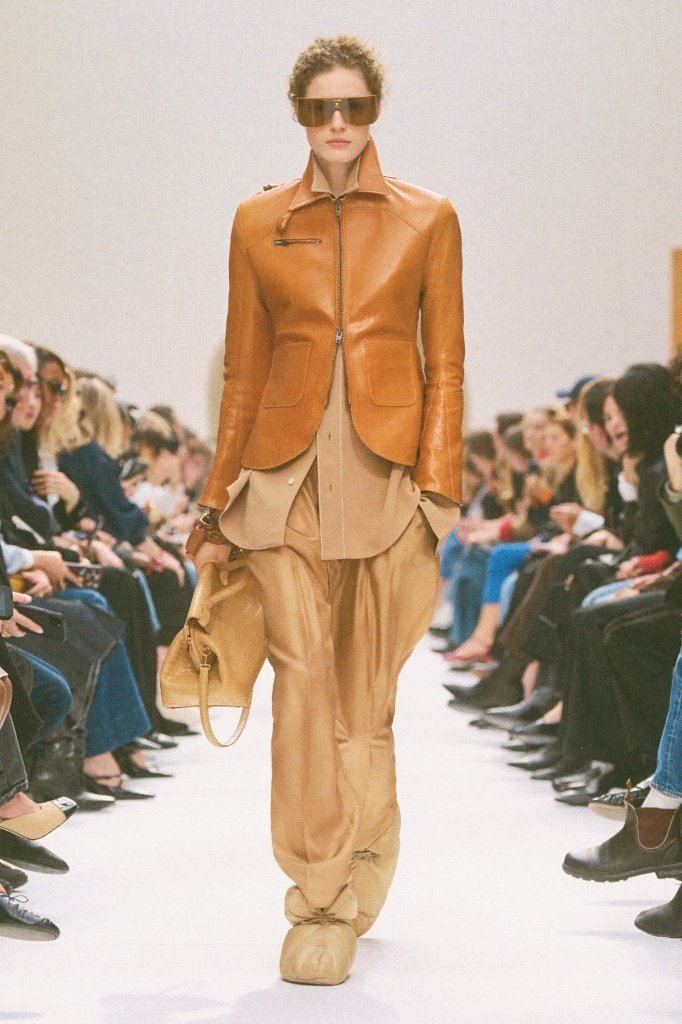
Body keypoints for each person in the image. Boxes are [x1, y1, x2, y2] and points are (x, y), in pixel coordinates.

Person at [186, 34, 464, 985]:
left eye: (353, 106)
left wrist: (438, 493)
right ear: (299, 115)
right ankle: (317, 896)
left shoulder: (429, 218)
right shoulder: (256, 221)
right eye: (319, 108)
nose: (337, 123)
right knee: (303, 687)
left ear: (374, 110)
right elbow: (243, 370)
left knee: (364, 701)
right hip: (283, 481)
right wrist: (216, 498)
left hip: (390, 485)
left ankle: (365, 846)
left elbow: (447, 365)